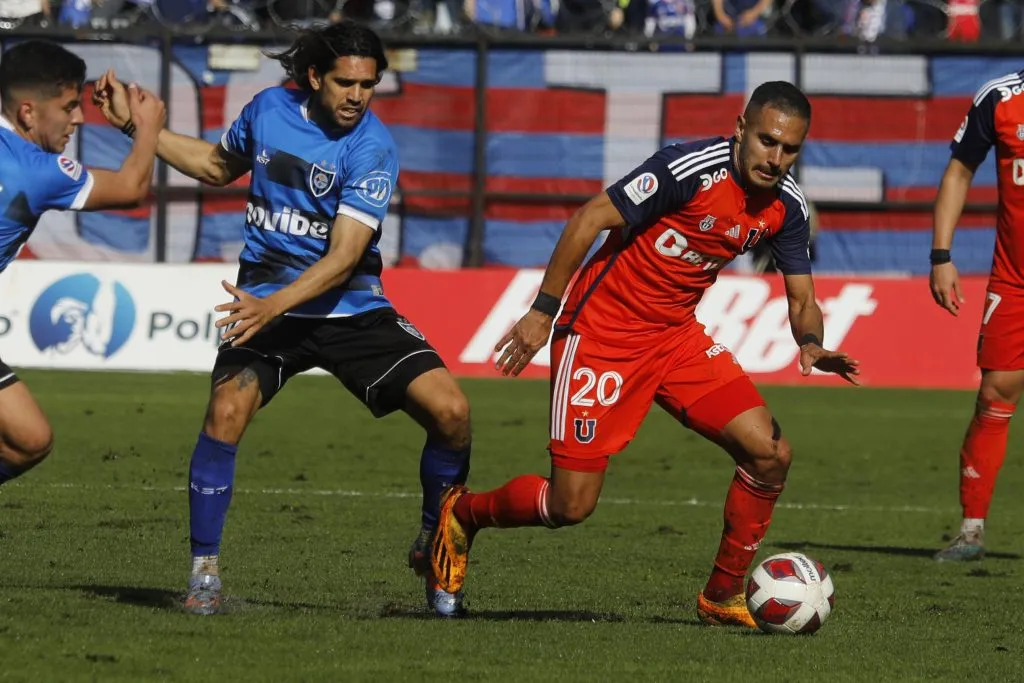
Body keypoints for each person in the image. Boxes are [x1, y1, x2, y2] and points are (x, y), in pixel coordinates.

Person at [429, 81, 859, 627]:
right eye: (767, 141)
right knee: (571, 506)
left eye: (790, 149)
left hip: (675, 338)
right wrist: (543, 311)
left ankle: (721, 596)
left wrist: (811, 343)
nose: (775, 159)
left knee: (770, 455)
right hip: (600, 335)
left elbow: (802, 298)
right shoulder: (688, 170)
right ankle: (462, 514)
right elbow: (587, 220)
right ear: (741, 129)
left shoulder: (786, 207)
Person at [93, 21, 472, 616]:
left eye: (369, 85)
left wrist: (272, 305)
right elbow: (218, 166)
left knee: (452, 412)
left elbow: (345, 256)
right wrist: (136, 127)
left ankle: (433, 539)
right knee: (225, 410)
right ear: (315, 77)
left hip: (348, 307)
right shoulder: (269, 109)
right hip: (268, 299)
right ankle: (204, 575)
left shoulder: (371, 147)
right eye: (346, 83)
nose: (357, 96)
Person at [0, 41, 163, 492]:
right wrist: (144, 124)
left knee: (28, 439)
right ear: (29, 112)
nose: (79, 119)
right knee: (28, 439)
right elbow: (131, 187)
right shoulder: (38, 170)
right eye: (69, 107)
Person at [929, 69, 1024, 562]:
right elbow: (960, 170)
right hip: (1016, 284)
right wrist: (941, 256)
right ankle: (971, 531)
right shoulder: (1001, 97)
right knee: (995, 393)